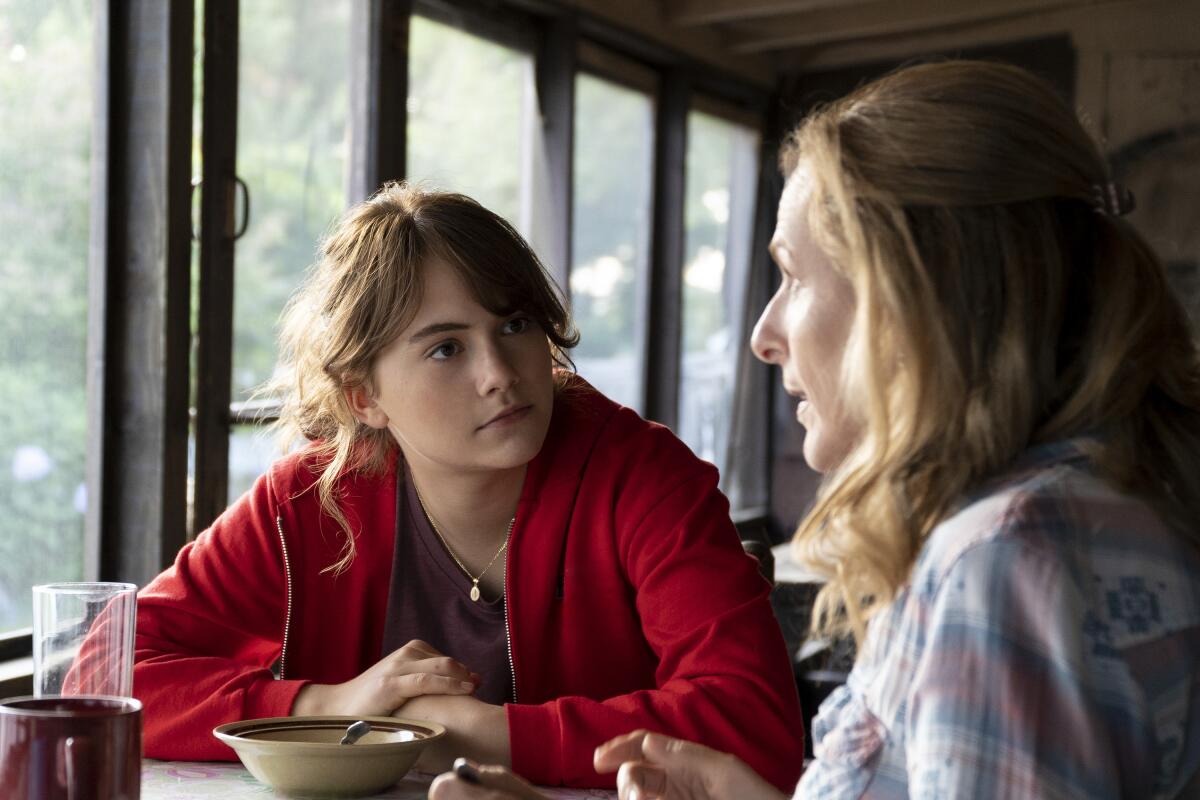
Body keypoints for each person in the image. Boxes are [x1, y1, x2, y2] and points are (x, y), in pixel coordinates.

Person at [428, 60, 1200, 799]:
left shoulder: (1003, 565)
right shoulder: (1105, 510)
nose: (765, 333)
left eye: (793, 276)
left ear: (907, 301)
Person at [131, 184, 805, 789]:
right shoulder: (310, 499)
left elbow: (755, 728)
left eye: (515, 325)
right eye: (446, 348)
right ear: (364, 396)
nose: (500, 373)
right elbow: (113, 676)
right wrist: (329, 706)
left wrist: (466, 730)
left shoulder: (643, 476)